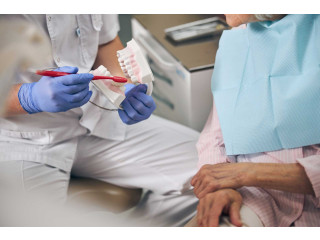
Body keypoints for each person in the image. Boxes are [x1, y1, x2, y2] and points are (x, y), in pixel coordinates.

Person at [0, 14, 199, 226]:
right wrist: (28, 97)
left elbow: (105, 41)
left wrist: (124, 87)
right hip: (20, 139)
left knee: (212, 173)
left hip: (95, 120)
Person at [187, 14, 320, 227]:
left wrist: (247, 174)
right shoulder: (240, 38)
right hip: (254, 198)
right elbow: (214, 136)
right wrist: (221, 188)